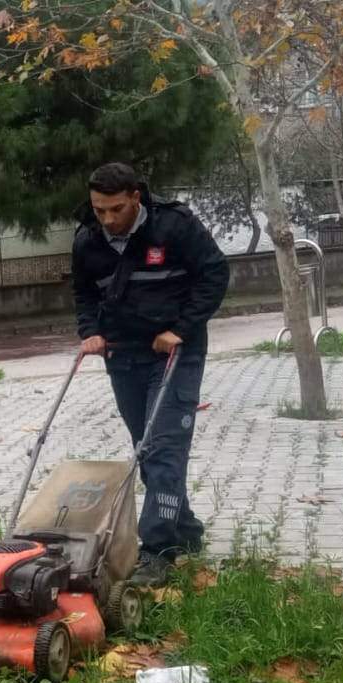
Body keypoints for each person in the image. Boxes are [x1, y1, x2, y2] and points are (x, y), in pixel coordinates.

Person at [72, 162, 229, 586]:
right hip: (122, 355)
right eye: (100, 209)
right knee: (147, 448)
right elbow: (84, 294)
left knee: (162, 447)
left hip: (174, 351)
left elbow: (215, 275)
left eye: (116, 209)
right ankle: (185, 531)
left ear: (136, 197)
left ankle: (157, 549)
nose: (108, 219)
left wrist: (180, 328)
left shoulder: (174, 227)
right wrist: (92, 333)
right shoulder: (87, 240)